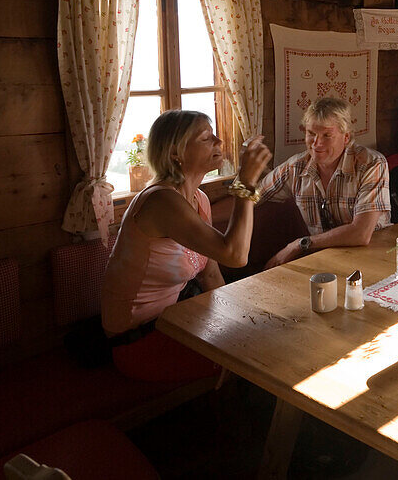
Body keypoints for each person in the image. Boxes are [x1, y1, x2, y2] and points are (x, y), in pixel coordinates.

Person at [101, 110, 271, 381]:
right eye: (206, 137)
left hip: (176, 320)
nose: (218, 141)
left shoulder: (198, 199)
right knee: (255, 359)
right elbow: (236, 255)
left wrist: (236, 321)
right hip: (138, 340)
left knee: (260, 333)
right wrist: (246, 182)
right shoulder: (161, 202)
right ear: (174, 154)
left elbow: (211, 274)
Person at [257, 97, 391, 268]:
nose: (317, 143)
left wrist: (299, 245)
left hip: (372, 259)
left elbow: (361, 233)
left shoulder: (371, 163)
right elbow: (252, 195)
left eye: (327, 135)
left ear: (346, 137)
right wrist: (210, 216)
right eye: (311, 134)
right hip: (324, 262)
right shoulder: (296, 167)